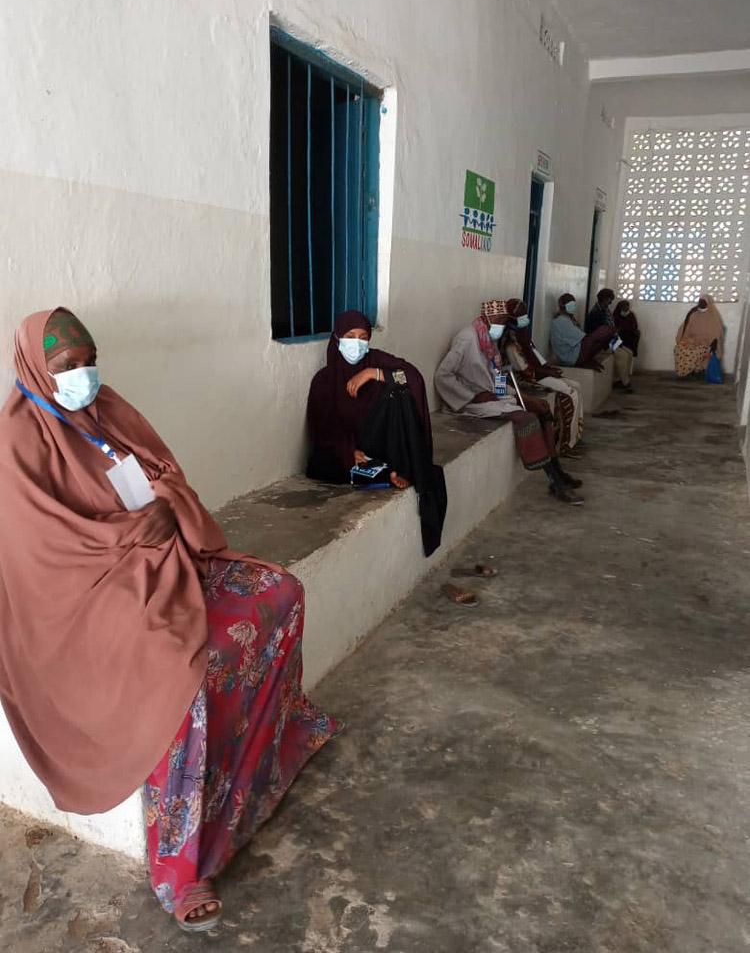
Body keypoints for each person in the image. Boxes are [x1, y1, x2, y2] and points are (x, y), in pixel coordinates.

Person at [0, 308, 340, 933]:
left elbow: (169, 476)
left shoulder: (107, 411)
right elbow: (40, 552)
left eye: (88, 359)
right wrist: (139, 532)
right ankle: (182, 867)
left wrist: (167, 508)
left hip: (167, 566)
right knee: (181, 672)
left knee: (279, 592)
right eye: (65, 366)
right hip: (85, 606)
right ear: (34, 369)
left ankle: (274, 750)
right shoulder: (16, 442)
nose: (83, 374)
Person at [306, 311, 447, 556]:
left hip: (379, 439)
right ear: (337, 338)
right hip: (347, 445)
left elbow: (413, 377)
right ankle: (386, 469)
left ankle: (397, 468)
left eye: (363, 337)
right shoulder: (324, 379)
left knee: (399, 393)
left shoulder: (375, 360)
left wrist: (375, 374)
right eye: (350, 336)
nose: (357, 343)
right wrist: (349, 451)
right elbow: (321, 428)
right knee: (324, 463)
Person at [435, 300, 583, 504]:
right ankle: (555, 481)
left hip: (493, 394)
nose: (502, 325)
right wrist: (471, 396)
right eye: (500, 320)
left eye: (504, 321)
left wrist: (520, 396)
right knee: (527, 419)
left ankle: (558, 470)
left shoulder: (487, 338)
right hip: (473, 400)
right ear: (489, 317)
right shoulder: (467, 338)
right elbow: (443, 375)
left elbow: (496, 375)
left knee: (542, 409)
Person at [502, 298, 584, 457]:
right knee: (570, 393)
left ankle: (575, 437)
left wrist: (548, 369)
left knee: (577, 386)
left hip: (539, 374)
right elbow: (526, 372)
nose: (525, 317)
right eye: (522, 315)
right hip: (530, 380)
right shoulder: (511, 344)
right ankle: (566, 445)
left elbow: (536, 358)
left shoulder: (523, 337)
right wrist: (547, 372)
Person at [584, 288, 635, 392]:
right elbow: (598, 334)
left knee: (629, 353)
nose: (611, 302)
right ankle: (625, 382)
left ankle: (618, 379)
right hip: (603, 342)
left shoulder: (605, 310)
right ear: (603, 299)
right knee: (623, 355)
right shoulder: (596, 313)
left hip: (611, 340)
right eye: (609, 299)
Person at [550, 293, 615, 372]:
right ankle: (585, 360)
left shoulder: (567, 319)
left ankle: (589, 359)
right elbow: (582, 338)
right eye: (571, 304)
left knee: (606, 336)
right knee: (604, 331)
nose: (573, 307)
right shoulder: (560, 321)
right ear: (564, 305)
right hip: (569, 357)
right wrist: (598, 335)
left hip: (573, 352)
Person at [674, 295, 725, 378]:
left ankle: (693, 370)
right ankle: (685, 372)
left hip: (707, 345)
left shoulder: (713, 317)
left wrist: (711, 349)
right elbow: (685, 329)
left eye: (704, 302)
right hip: (693, 342)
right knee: (679, 348)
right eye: (700, 301)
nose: (701, 303)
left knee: (692, 352)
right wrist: (684, 341)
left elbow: (716, 336)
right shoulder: (694, 314)